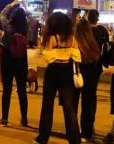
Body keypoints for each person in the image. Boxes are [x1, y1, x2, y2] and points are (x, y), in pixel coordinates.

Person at [35, 11, 81, 144]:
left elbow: (48, 57)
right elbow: (77, 55)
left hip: (53, 71)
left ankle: (43, 137)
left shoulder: (52, 38)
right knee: (68, 106)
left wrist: (48, 50)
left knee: (47, 105)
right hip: (67, 72)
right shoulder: (72, 38)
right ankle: (74, 139)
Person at [0, 0, 31, 127]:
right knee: (22, 91)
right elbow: (30, 18)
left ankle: (4, 118)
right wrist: (26, 7)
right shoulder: (26, 29)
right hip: (21, 62)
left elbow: (2, 14)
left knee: (7, 91)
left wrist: (12, 4)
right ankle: (24, 119)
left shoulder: (7, 26)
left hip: (8, 61)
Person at [74, 18, 103, 142]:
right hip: (91, 77)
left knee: (73, 104)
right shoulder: (92, 43)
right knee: (87, 105)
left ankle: (73, 130)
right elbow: (98, 60)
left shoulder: (75, 42)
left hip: (76, 75)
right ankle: (86, 132)